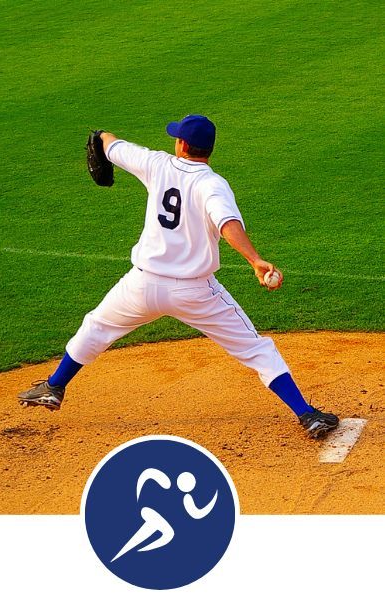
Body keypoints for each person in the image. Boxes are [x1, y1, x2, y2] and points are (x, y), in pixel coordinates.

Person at [18, 114, 339, 438]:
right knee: (257, 349)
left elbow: (112, 145)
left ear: (182, 145)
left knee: (97, 326)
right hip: (195, 293)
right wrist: (254, 260)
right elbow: (227, 223)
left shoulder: (155, 164)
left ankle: (54, 386)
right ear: (207, 149)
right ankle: (307, 415)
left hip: (142, 286)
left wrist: (100, 136)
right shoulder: (212, 184)